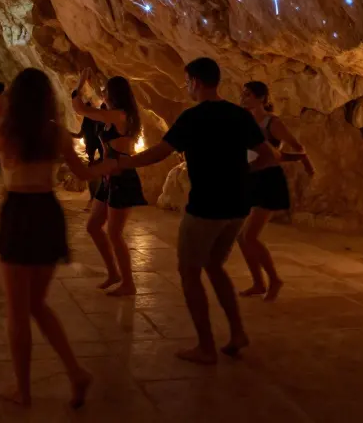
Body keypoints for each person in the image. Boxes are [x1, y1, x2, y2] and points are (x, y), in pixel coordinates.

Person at [108, 57, 276, 364]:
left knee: (189, 272)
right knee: (214, 266)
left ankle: (206, 346)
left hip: (206, 206)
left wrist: (123, 163)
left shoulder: (193, 117)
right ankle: (237, 332)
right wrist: (240, 174)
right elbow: (268, 157)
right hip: (237, 206)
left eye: (187, 81)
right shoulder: (239, 115)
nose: (187, 87)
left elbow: (160, 152)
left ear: (196, 82)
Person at [0, 68, 102, 409]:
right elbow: (85, 173)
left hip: (19, 212)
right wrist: (112, 168)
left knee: (18, 310)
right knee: (37, 305)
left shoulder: (7, 132)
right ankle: (75, 372)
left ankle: (23, 390)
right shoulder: (53, 132)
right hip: (48, 212)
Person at [237, 81, 314, 301]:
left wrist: (308, 166)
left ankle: (274, 280)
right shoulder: (245, 121)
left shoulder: (272, 123)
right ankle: (258, 283)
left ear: (261, 98)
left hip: (268, 181)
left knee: (249, 236)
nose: (244, 97)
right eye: (243, 93)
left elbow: (296, 145)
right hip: (251, 178)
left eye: (248, 94)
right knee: (242, 238)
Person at [73, 71, 147, 296]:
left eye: (106, 90)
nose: (103, 93)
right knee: (93, 226)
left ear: (115, 94)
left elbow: (81, 109)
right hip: (109, 178)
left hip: (122, 178)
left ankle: (128, 283)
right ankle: (114, 273)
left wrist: (79, 84)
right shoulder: (112, 115)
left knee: (115, 233)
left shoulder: (120, 116)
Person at [72, 87, 105, 212]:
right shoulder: (91, 121)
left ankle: (95, 201)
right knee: (95, 177)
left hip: (100, 153)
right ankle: (95, 201)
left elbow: (80, 135)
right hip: (97, 153)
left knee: (97, 176)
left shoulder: (96, 120)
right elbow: (80, 135)